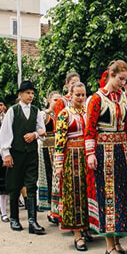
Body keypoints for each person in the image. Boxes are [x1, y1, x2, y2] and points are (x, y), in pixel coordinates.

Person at [85, 60, 127, 254]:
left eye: (125, 80)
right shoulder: (97, 99)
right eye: (120, 79)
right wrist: (90, 154)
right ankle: (109, 245)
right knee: (108, 196)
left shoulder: (124, 97)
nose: (123, 83)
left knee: (122, 196)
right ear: (110, 75)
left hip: (121, 150)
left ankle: (118, 240)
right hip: (104, 150)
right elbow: (90, 127)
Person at [0, 81, 46, 234]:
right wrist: (6, 153)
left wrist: (35, 134)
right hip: (16, 153)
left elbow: (42, 130)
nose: (30, 96)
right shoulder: (13, 111)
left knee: (31, 185)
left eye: (32, 93)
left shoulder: (36, 111)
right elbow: (4, 134)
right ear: (20, 94)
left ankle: (33, 221)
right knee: (14, 185)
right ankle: (14, 218)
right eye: (27, 93)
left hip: (31, 153)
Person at [53, 82, 90, 251]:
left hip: (87, 156)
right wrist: (59, 165)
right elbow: (59, 141)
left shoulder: (88, 112)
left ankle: (86, 227)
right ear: (70, 94)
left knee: (87, 191)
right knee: (74, 193)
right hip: (71, 157)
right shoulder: (64, 114)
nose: (81, 98)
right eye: (77, 95)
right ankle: (77, 234)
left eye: (83, 95)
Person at [49, 72, 81, 224]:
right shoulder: (62, 103)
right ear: (67, 85)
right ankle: (60, 213)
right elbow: (58, 128)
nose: (75, 84)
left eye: (78, 82)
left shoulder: (84, 103)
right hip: (66, 141)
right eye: (73, 83)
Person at [38, 91, 61, 213]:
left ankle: (56, 209)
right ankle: (49, 206)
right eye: (55, 100)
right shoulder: (44, 115)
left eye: (59, 100)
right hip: (46, 148)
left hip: (58, 149)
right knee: (48, 177)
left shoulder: (61, 114)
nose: (57, 103)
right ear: (49, 100)